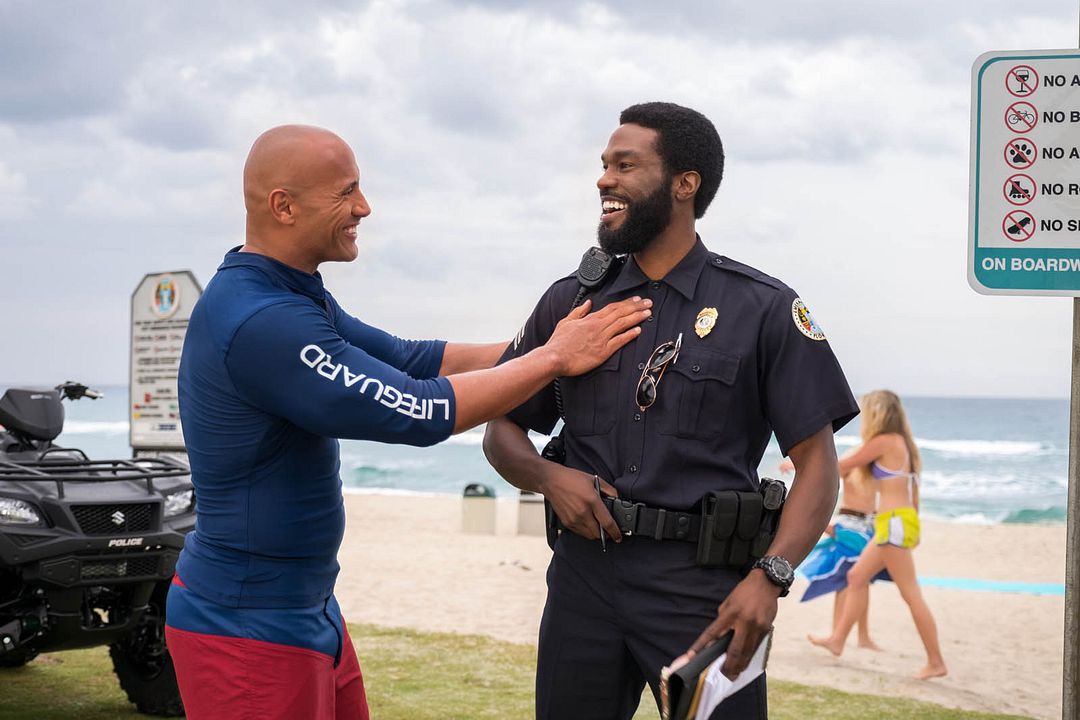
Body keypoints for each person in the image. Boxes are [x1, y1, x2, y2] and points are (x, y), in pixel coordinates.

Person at [163, 124, 653, 720]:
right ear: (283, 206)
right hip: (244, 623)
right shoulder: (261, 320)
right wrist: (554, 358)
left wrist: (558, 341)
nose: (364, 208)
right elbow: (421, 408)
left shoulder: (292, 292)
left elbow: (414, 357)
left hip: (306, 606)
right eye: (346, 193)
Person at [482, 102, 860, 719]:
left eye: (626, 165)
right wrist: (549, 478)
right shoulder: (571, 302)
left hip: (705, 593)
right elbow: (503, 427)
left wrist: (771, 577)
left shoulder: (762, 308)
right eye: (604, 165)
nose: (605, 178)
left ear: (686, 184)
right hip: (583, 582)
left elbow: (818, 468)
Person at [807, 389, 948, 680]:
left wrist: (800, 465)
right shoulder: (902, 443)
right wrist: (914, 525)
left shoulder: (884, 441)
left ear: (878, 413)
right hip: (897, 521)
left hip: (893, 523)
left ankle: (936, 662)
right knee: (856, 577)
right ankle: (837, 640)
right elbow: (914, 490)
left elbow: (844, 464)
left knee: (911, 594)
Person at [780, 460, 884, 650]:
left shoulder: (873, 469)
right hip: (849, 526)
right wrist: (795, 465)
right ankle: (838, 635)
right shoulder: (851, 467)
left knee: (862, 582)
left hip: (869, 528)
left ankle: (862, 635)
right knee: (848, 581)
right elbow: (823, 468)